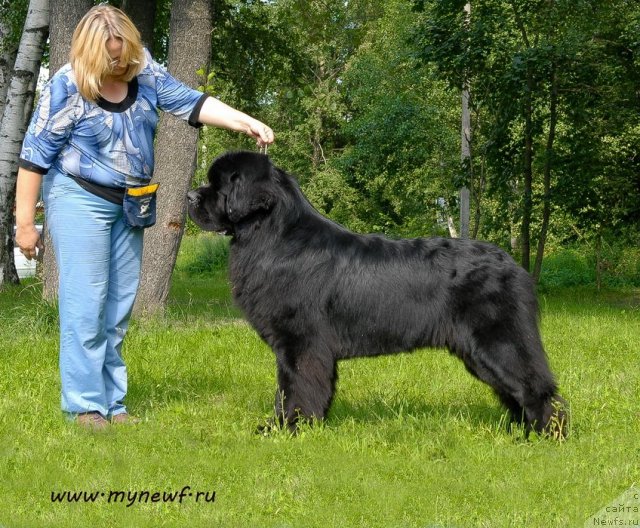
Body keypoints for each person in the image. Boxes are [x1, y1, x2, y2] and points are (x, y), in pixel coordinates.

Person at [14, 4, 274, 430]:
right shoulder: (66, 86)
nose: (120, 63)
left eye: (125, 53)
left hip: (130, 202)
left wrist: (243, 121)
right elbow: (33, 158)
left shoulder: (144, 69)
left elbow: (189, 102)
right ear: (90, 53)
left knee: (117, 307)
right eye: (111, 57)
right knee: (86, 307)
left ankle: (113, 406)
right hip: (80, 197)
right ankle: (84, 407)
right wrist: (25, 224)